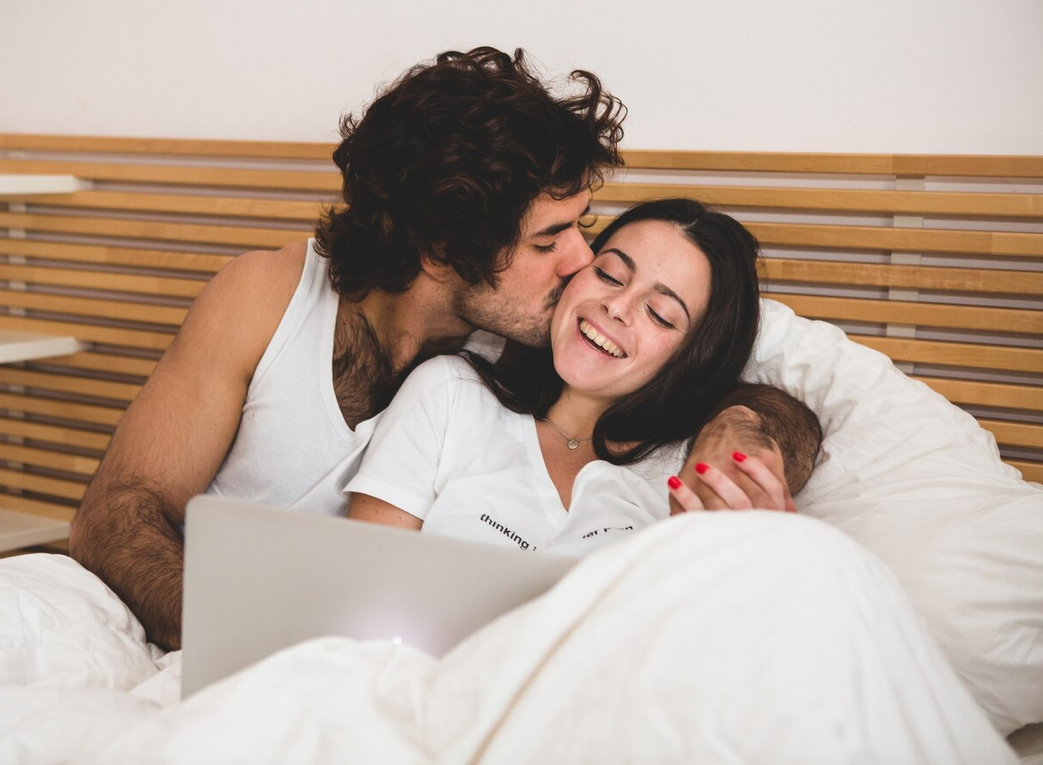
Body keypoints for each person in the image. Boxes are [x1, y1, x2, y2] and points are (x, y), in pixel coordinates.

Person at [68, 48, 821, 651]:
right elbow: (116, 515)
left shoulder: (528, 340)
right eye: (549, 240)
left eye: (581, 227)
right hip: (225, 647)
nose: (581, 263)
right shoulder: (266, 299)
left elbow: (705, 376)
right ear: (443, 249)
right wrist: (247, 640)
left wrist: (742, 434)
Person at [346, 199, 803, 554]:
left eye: (660, 314)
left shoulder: (693, 474)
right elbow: (366, 573)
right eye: (609, 274)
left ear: (695, 357)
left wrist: (740, 425)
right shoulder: (450, 392)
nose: (616, 307)